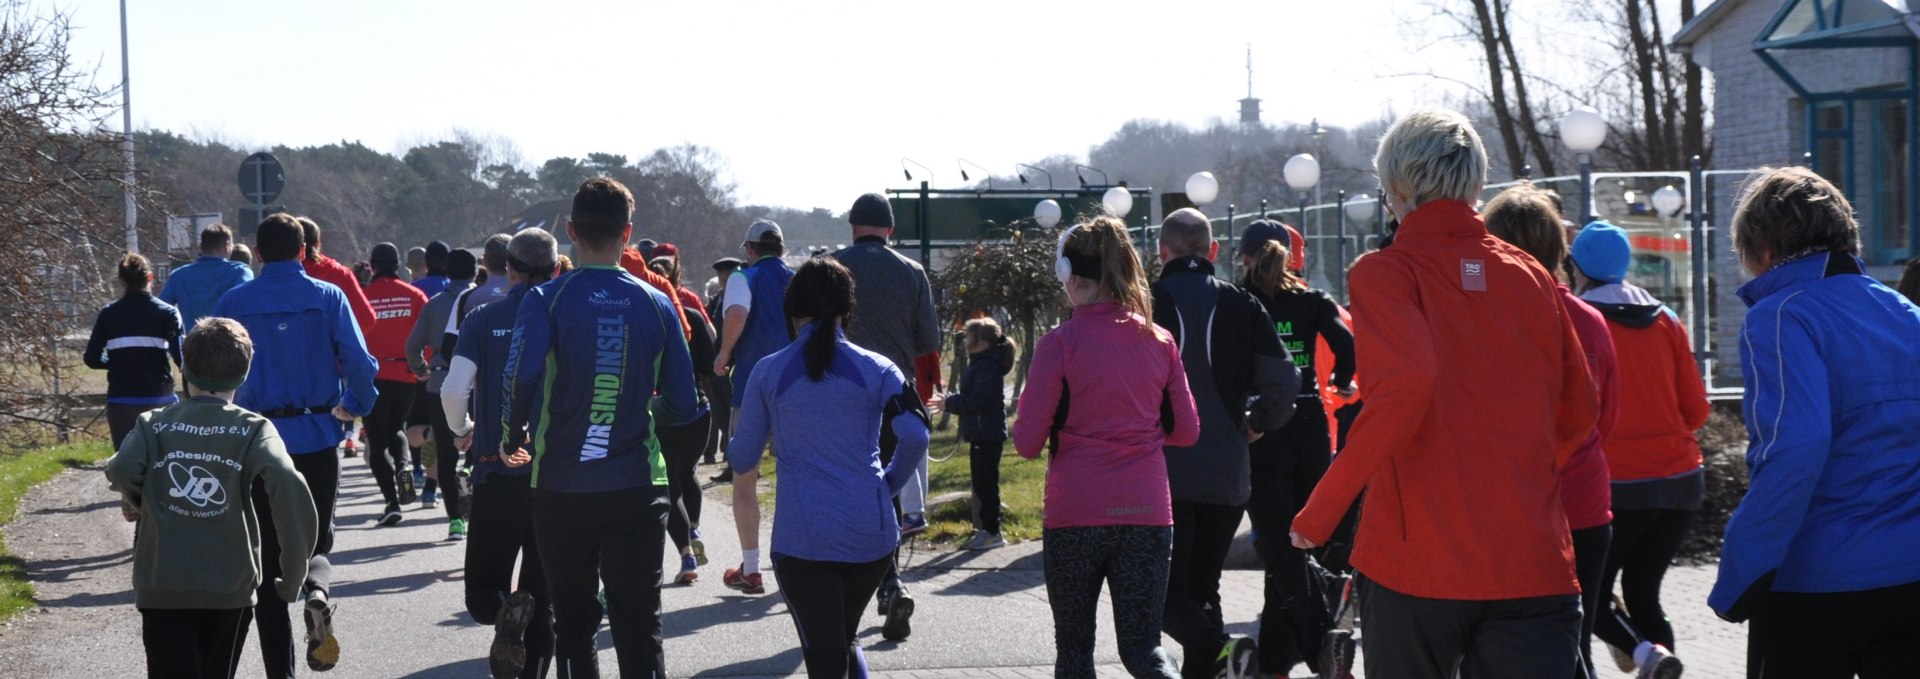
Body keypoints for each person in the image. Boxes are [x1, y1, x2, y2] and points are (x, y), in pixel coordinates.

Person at [1289, 109, 1599, 679]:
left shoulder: (1384, 273)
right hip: (1530, 553)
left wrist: (1320, 512)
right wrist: (1515, 472)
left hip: (1417, 557)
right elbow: (1581, 408)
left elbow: (1407, 384)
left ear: (1399, 190)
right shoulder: (1531, 274)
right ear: (1478, 186)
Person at [1710, 167, 1920, 678]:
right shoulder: (1905, 312)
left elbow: (1794, 446)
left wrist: (1741, 570)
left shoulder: (1781, 315)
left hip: (1816, 582)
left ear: (1761, 247)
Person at [500, 177, 698, 678]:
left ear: (569, 231)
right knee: (639, 625)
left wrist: (511, 435)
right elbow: (683, 402)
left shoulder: (545, 298)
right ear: (627, 234)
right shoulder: (657, 301)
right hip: (637, 483)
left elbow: (519, 375)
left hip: (562, 486)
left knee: (574, 623)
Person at [1013, 216, 1198, 679]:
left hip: (1075, 512)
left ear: (1068, 275)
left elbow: (1027, 443)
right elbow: (1187, 430)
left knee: (1075, 650)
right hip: (1147, 512)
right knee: (1144, 647)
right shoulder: (1159, 340)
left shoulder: (1059, 345)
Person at [727, 257, 930, 678]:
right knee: (842, 638)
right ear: (846, 310)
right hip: (871, 538)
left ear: (792, 311)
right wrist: (886, 486)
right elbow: (917, 435)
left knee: (824, 653)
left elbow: (743, 458)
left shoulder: (768, 372)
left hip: (804, 542)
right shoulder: (879, 368)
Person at [105, 317, 319, 679]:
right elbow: (286, 482)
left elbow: (121, 468)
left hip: (163, 583)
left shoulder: (152, 423)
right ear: (244, 374)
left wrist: (140, 499)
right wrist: (293, 572)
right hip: (228, 586)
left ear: (184, 368)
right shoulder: (254, 429)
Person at [214, 213, 379, 677]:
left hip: (257, 442)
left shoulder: (234, 300)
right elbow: (361, 364)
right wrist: (353, 406)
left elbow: (214, 367)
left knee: (265, 562)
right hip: (315, 435)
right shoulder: (328, 296)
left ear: (259, 253)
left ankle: (280, 673)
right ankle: (317, 594)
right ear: (305, 250)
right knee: (316, 539)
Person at [1150, 208, 1298, 679]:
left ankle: (1218, 647)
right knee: (1204, 590)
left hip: (1162, 475)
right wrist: (1258, 422)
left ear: (1162, 251)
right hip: (1226, 473)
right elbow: (1284, 381)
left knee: (1160, 595)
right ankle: (1217, 661)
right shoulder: (1242, 304)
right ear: (1213, 251)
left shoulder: (1146, 303)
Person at [1484, 187, 1624, 679]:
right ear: (1558, 248)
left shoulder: (1485, 321)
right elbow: (1604, 418)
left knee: (1499, 644)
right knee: (1574, 645)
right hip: (1584, 502)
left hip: (1510, 507)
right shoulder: (1589, 319)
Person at [1565, 221, 1705, 678]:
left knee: (1591, 598)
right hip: (1680, 481)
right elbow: (1697, 410)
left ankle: (1649, 657)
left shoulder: (1578, 320)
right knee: (1645, 592)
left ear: (1576, 267)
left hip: (1616, 485)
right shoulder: (1665, 319)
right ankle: (1658, 661)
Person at [1233, 220, 1356, 676]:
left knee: (1280, 548)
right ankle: (1276, 665)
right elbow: (1349, 347)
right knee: (1293, 542)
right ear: (1291, 256)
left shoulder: (1238, 301)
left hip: (1261, 427)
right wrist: (1341, 382)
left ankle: (1323, 642)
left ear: (1245, 257)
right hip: (1309, 429)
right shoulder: (1314, 300)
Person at [442, 228, 560, 679]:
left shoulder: (481, 317)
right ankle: (526, 628)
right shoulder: (564, 317)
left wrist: (462, 430)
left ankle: (506, 614)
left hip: (497, 468)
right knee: (543, 600)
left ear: (507, 268)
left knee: (481, 595)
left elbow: (454, 389)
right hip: (555, 477)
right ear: (554, 269)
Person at [829, 193, 943, 641]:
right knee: (886, 492)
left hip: (839, 393)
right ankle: (890, 581)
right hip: (893, 396)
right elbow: (926, 341)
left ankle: (845, 596)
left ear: (854, 227)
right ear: (890, 230)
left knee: (838, 488)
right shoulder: (912, 272)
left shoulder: (834, 267)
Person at [714, 219, 795, 590]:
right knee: (797, 478)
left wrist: (725, 352)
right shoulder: (797, 280)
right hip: (795, 389)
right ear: (780, 248)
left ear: (749, 249)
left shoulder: (741, 278)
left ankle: (751, 568)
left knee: (744, 480)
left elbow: (737, 314)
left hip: (751, 388)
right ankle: (797, 564)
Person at [648, 255, 719, 584]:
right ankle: (694, 528)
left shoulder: (638, 317)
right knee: (687, 471)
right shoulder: (689, 315)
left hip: (658, 411)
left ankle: (687, 554)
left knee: (667, 484)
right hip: (696, 410)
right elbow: (710, 359)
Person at [407, 248, 477, 534]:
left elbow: (412, 346)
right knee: (479, 445)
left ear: (447, 272)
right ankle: (471, 471)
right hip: (477, 382)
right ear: (475, 272)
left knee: (446, 454)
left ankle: (455, 521)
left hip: (440, 382)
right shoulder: (482, 298)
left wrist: (421, 368)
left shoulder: (434, 304)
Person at [359, 243, 429, 527]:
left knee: (377, 441)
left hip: (373, 375)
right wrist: (423, 366)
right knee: (396, 428)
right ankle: (403, 467)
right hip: (406, 373)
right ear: (398, 265)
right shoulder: (415, 295)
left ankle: (391, 502)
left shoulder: (362, 297)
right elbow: (427, 334)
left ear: (373, 266)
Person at [86, 254, 184, 449]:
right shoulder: (168, 313)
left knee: (126, 467)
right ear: (150, 278)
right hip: (159, 399)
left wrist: (113, 361)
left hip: (122, 401)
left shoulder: (108, 314)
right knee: (163, 463)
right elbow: (181, 358)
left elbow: (91, 358)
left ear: (121, 281)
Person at [937, 317, 1016, 551]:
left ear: (980, 341)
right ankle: (986, 529)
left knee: (986, 485)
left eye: (968, 337)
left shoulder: (986, 366)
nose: (964, 341)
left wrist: (951, 403)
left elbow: (977, 400)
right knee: (982, 484)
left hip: (987, 434)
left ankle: (992, 531)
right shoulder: (981, 363)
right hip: (982, 434)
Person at [159, 223, 254, 332]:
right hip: (229, 343)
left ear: (202, 246)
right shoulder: (240, 272)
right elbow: (249, 303)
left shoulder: (178, 275)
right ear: (227, 246)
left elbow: (160, 310)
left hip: (192, 343)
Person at [297, 216, 378, 335]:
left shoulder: (279, 276)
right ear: (318, 242)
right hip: (330, 351)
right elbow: (366, 320)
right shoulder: (340, 274)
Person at [705, 256, 745, 467]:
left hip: (732, 363)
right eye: (721, 275)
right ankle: (730, 458)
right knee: (720, 412)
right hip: (716, 363)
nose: (724, 278)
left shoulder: (739, 300)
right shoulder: (716, 300)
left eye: (728, 274)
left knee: (732, 412)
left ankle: (733, 461)